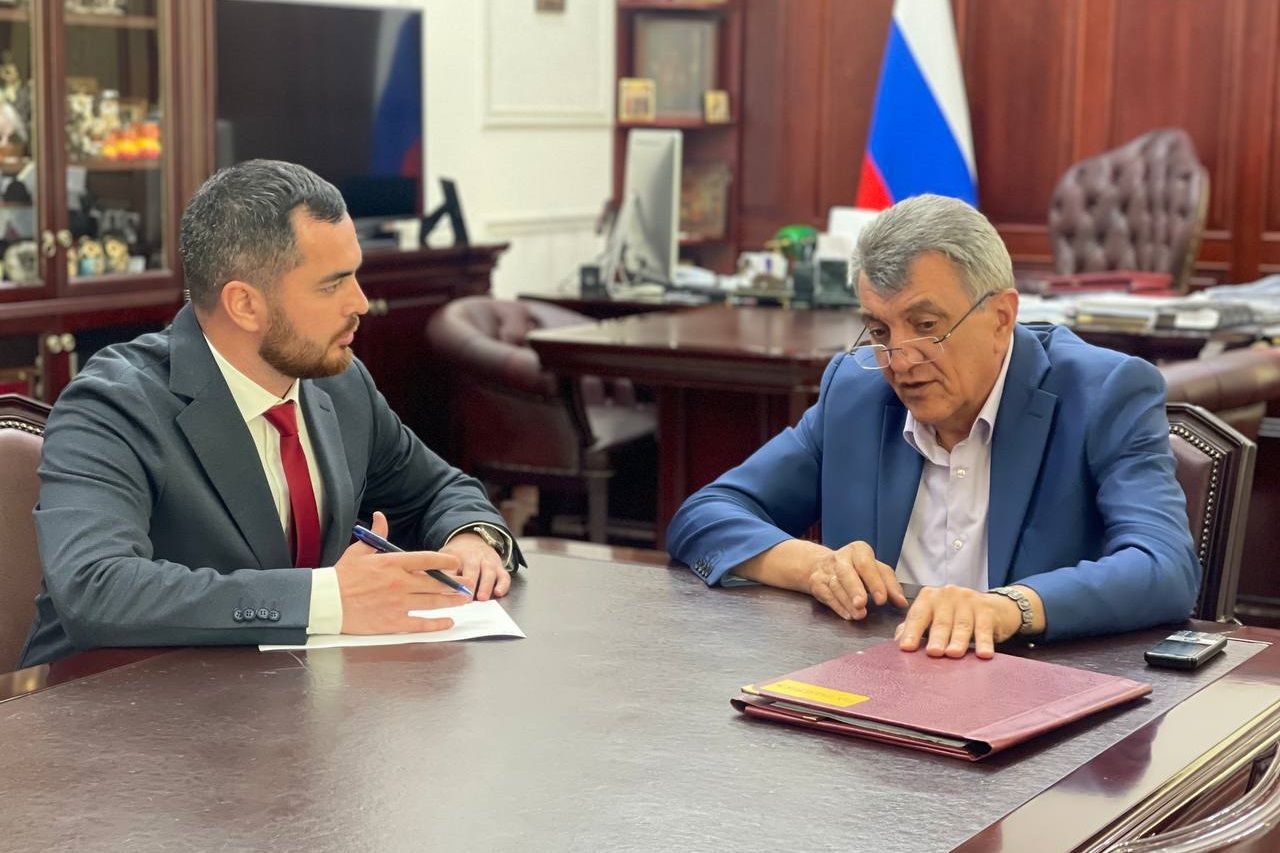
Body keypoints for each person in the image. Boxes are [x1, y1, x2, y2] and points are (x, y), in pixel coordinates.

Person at [19, 159, 521, 667]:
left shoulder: (340, 382)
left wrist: (470, 538)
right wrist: (328, 599)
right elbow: (95, 588)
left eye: (356, 275)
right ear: (244, 305)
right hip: (107, 697)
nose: (361, 303)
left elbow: (436, 488)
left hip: (282, 692)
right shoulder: (112, 405)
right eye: (332, 285)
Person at [667, 194, 1198, 659]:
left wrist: (1007, 608)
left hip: (1037, 692)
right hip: (873, 687)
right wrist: (813, 567)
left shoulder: (1104, 393)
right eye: (879, 331)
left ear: (1001, 318)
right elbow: (706, 516)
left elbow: (1164, 567)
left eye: (925, 326)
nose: (899, 360)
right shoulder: (855, 393)